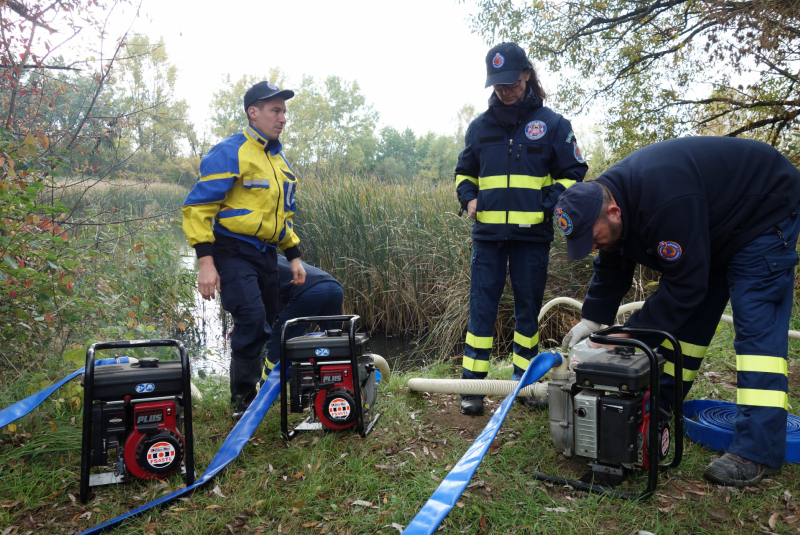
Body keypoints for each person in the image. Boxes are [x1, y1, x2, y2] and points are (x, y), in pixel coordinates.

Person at [555, 136, 800, 487]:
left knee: (755, 328)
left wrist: (627, 337)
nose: (590, 246)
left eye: (591, 237)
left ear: (613, 212)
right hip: (714, 223)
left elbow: (685, 285)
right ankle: (656, 410)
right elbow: (612, 261)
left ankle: (757, 451)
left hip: (763, 210)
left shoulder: (665, 201)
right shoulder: (608, 199)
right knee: (687, 327)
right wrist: (593, 318)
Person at [455, 42, 589, 416]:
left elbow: (574, 175)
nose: (504, 89)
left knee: (527, 313)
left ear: (527, 75)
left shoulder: (553, 125)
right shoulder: (479, 128)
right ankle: (473, 388)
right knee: (481, 311)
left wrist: (545, 206)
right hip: (487, 239)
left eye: (511, 82)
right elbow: (464, 172)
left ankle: (524, 385)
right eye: (497, 84)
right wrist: (469, 199)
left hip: (532, 237)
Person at [182, 81, 306, 418]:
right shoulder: (231, 151)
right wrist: (206, 263)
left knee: (265, 318)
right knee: (251, 318)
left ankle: (257, 385)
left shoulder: (279, 160)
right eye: (275, 110)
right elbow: (197, 209)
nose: (282, 118)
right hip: (232, 250)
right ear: (253, 112)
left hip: (266, 253)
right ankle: (242, 401)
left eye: (284, 111)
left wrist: (293, 256)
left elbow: (283, 216)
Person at [261, 256, 344, 378]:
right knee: (333, 340)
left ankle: (268, 383)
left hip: (311, 292)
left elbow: (267, 298)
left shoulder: (258, 265)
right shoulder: (278, 258)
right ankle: (335, 379)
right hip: (334, 288)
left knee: (279, 337)